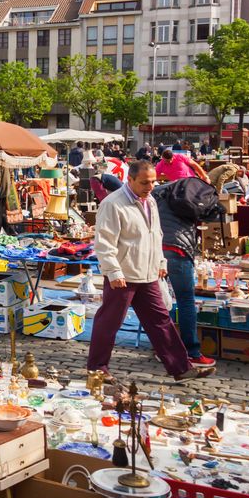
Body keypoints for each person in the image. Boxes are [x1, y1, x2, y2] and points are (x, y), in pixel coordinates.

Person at [88, 161, 213, 381]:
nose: (150, 186)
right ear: (130, 180)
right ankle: (97, 369)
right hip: (124, 274)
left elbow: (156, 235)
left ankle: (181, 368)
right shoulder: (113, 204)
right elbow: (104, 243)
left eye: (153, 181)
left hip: (147, 273)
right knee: (109, 322)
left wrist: (160, 262)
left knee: (161, 320)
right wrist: (113, 271)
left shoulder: (151, 201)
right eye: (145, 182)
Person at [153, 178, 220, 367]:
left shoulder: (155, 191)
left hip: (156, 248)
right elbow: (211, 215)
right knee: (185, 300)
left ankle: (164, 349)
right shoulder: (193, 192)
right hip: (179, 250)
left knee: (157, 301)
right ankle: (191, 352)